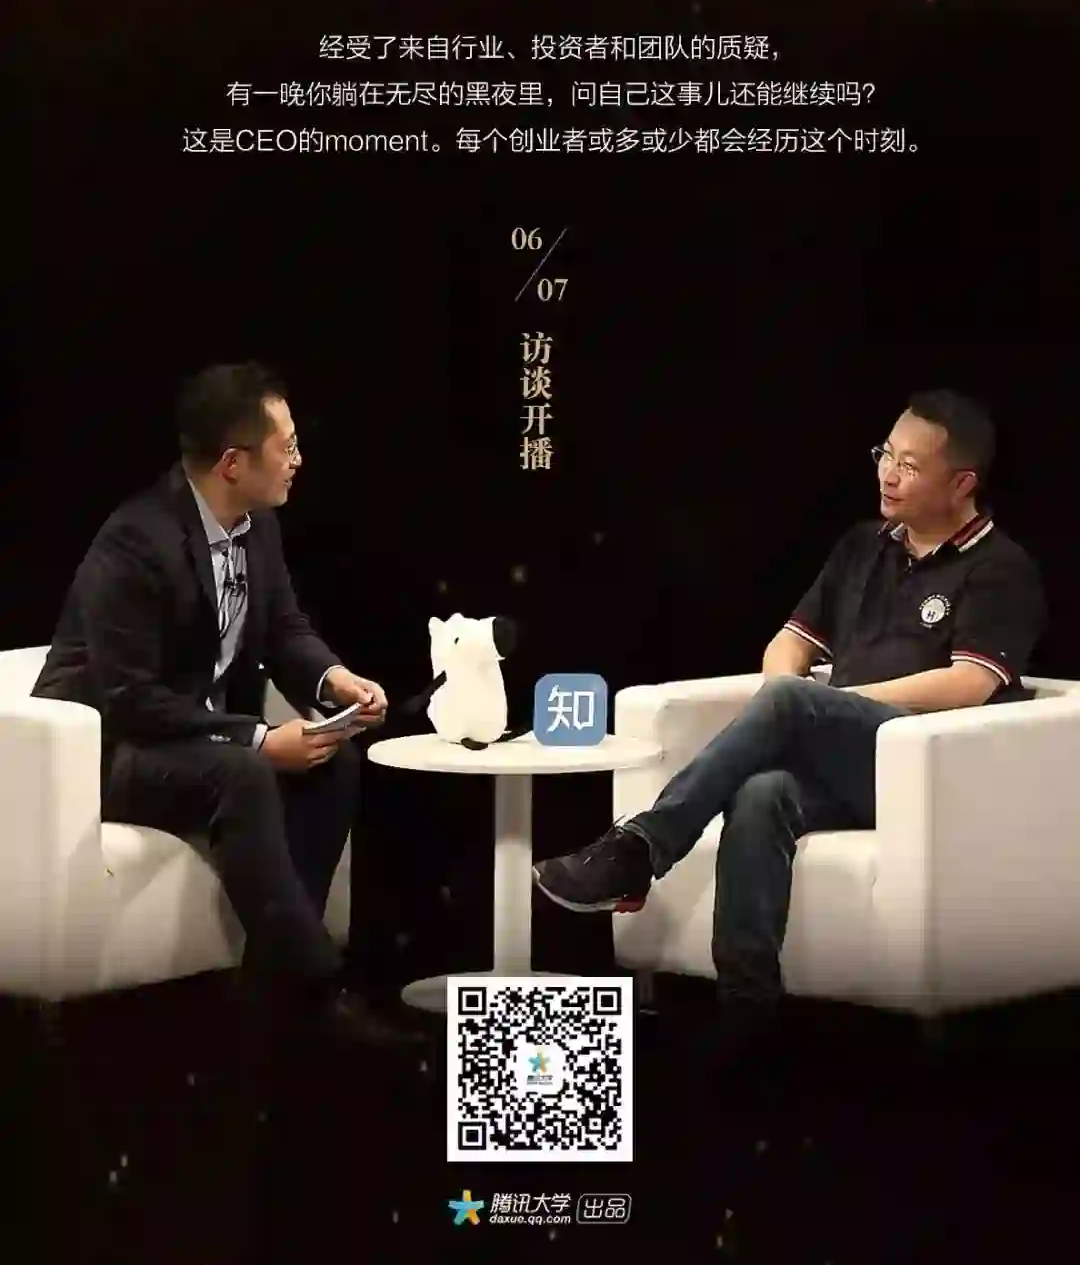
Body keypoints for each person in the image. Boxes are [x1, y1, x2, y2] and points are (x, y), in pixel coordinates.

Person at [533, 390, 1047, 1055]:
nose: (888, 474)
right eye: (885, 454)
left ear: (961, 483)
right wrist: (797, 698)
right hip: (849, 763)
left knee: (788, 705)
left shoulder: (1001, 568)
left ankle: (637, 850)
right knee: (761, 791)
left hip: (929, 773)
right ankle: (748, 1011)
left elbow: (970, 683)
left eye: (910, 465)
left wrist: (829, 704)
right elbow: (789, 644)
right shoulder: (863, 546)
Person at [33, 361, 420, 1053]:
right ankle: (316, 988)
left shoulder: (254, 526)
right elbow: (131, 700)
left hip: (190, 742)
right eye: (286, 446)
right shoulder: (135, 542)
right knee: (243, 771)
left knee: (332, 763)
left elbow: (283, 629)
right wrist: (258, 738)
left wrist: (334, 679)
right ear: (234, 462)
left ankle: (270, 988)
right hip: (107, 755)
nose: (299, 460)